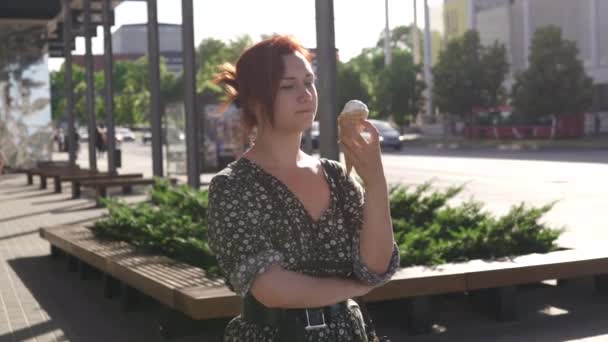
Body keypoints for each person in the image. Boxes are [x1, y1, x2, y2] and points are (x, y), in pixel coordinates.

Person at [207, 35, 400, 342]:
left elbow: (375, 267)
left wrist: (376, 182)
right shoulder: (233, 186)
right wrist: (353, 289)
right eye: (288, 86)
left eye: (309, 82)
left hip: (348, 333)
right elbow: (271, 289)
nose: (306, 94)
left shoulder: (336, 176)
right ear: (255, 101)